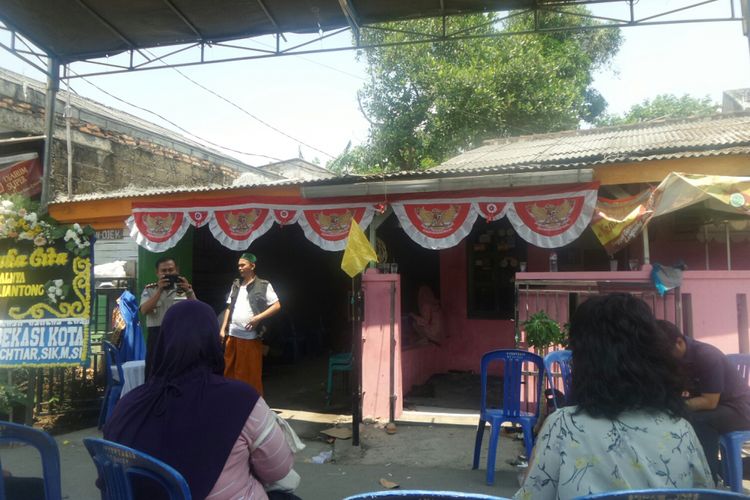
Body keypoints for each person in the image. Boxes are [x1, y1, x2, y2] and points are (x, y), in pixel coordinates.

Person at [515, 293, 713, 500]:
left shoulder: (563, 426)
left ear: (583, 358)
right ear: (655, 355)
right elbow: (704, 492)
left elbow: (533, 495)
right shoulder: (681, 430)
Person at [104, 300, 300, 500]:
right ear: (213, 343)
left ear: (163, 342)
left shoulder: (129, 403)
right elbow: (278, 470)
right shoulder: (241, 400)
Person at [658, 319, 750, 482]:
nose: (664, 359)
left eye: (665, 353)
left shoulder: (707, 356)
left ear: (679, 343)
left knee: (699, 420)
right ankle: (685, 471)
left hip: (739, 409)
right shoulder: (677, 358)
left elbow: (709, 402)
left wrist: (673, 405)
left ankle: (708, 480)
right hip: (720, 408)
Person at [220, 252, 281, 396]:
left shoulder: (263, 285)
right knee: (229, 370)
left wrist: (258, 318)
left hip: (250, 338)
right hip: (232, 335)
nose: (240, 268)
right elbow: (229, 307)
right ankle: (231, 400)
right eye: (238, 266)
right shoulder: (236, 285)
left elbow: (277, 306)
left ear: (252, 266)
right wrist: (223, 329)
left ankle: (252, 404)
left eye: (243, 265)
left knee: (249, 373)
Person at [140, 256, 196, 376]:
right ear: (157, 273)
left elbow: (198, 310)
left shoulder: (184, 289)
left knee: (179, 372)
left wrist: (189, 291)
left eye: (171, 270)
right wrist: (159, 291)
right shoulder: (150, 289)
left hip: (179, 335)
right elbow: (144, 310)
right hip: (157, 335)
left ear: (177, 271)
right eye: (164, 271)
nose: (167, 273)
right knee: (154, 371)